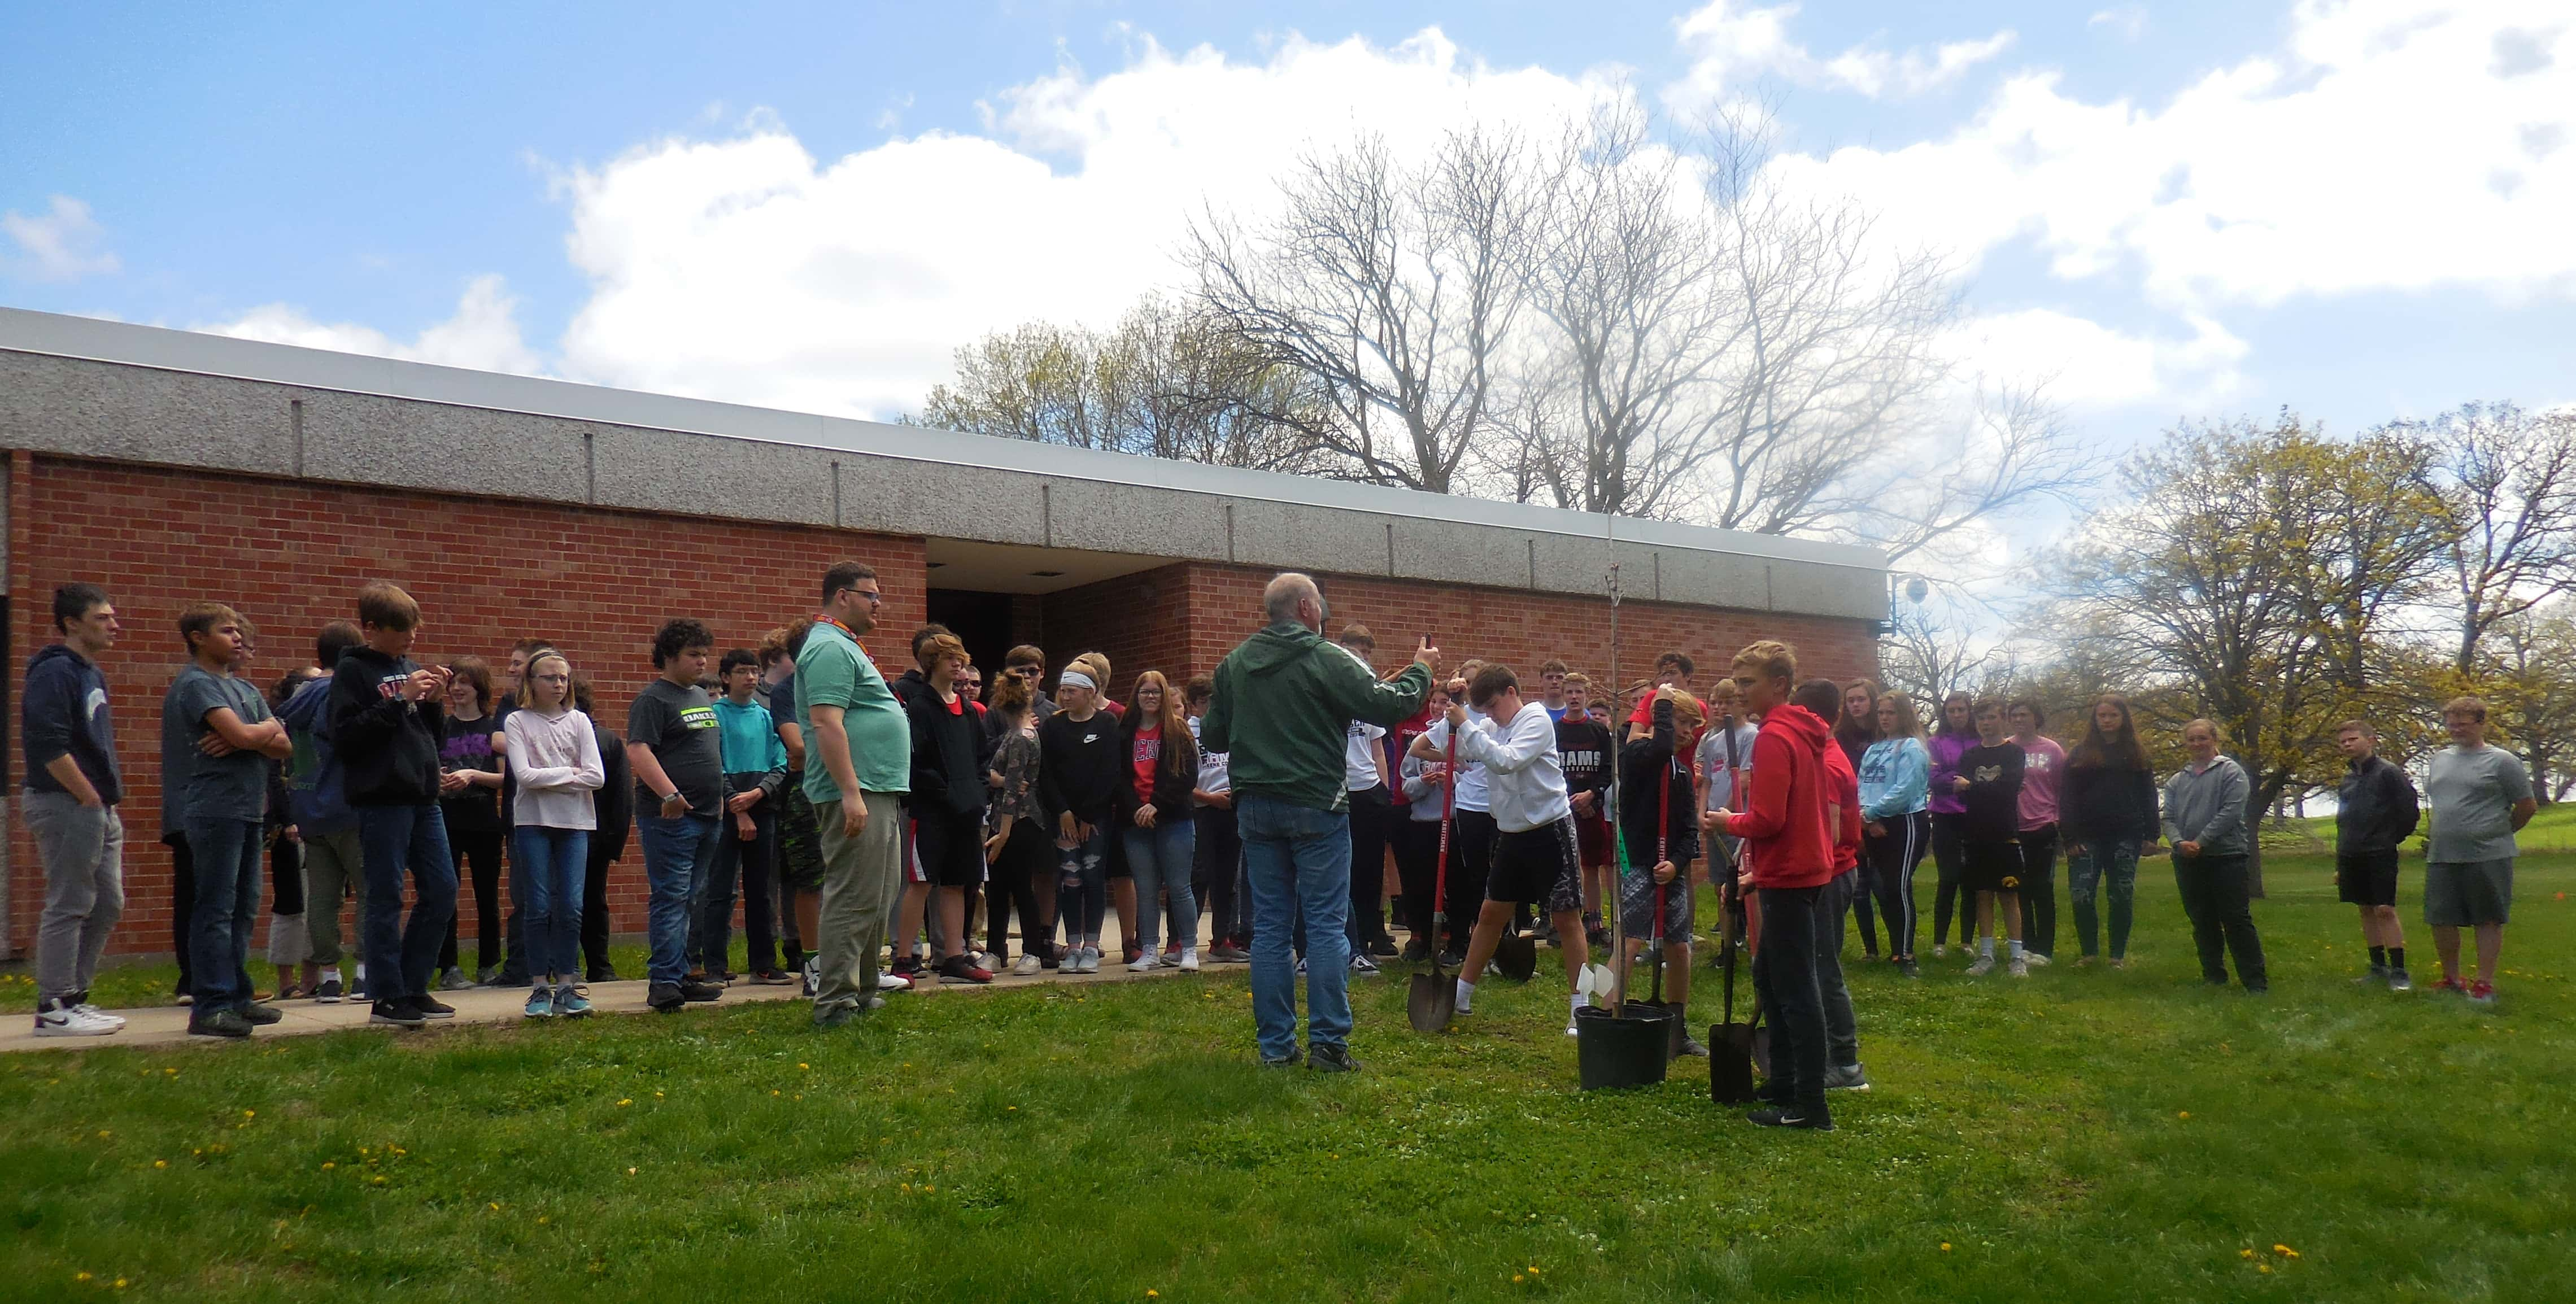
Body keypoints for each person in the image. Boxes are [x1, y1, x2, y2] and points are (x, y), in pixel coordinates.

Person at [1202, 572, 1433, 1071]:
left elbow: (1217, 737)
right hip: (1316, 803)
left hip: (1255, 806)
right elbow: (1388, 704)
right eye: (1320, 604)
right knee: (1328, 926)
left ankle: (1275, 1049)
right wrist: (1420, 669)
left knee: (1269, 929)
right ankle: (1329, 1045)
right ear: (1307, 607)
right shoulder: (1326, 657)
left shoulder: (1235, 663)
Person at [1706, 640, 1836, 1130]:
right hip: (1795, 868)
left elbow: (1768, 818)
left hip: (1791, 875)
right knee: (1770, 978)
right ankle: (1783, 1080)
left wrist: (1726, 820)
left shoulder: (1776, 737)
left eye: (1747, 683)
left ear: (1778, 685)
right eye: (1736, 683)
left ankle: (1809, 1103)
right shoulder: (1798, 732)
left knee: (1795, 988)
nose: (1739, 692)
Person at [1439, 665, 1595, 1036]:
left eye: (1493, 705)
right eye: (1485, 710)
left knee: (1565, 918)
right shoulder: (1492, 725)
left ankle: (1582, 1007)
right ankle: (1460, 995)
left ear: (1511, 692)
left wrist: (1467, 722)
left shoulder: (1536, 720)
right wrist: (1458, 706)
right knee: (1491, 912)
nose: (1490, 714)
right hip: (1511, 833)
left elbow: (1504, 761)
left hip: (1549, 830)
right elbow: (1465, 748)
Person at [332, 583, 460, 1029]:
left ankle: (413, 984)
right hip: (382, 797)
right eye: (401, 629)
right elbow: (347, 734)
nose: (411, 638)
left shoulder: (406, 667)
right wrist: (401, 698)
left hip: (423, 795)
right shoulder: (353, 672)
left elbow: (425, 737)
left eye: (415, 628)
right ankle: (386, 995)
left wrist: (432, 705)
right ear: (371, 628)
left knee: (442, 889)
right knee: (386, 895)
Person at [162, 603, 294, 1037]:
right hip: (214, 808)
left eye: (238, 629)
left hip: (248, 809)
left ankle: (239, 996)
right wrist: (261, 731)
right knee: (215, 908)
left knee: (242, 908)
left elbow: (285, 747)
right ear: (198, 638)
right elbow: (245, 734)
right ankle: (211, 1004)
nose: (237, 637)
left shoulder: (244, 688)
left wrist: (256, 734)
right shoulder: (197, 685)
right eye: (226, 630)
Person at [800, 563, 913, 1027]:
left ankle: (863, 988)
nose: (879, 604)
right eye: (871, 595)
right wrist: (850, 792)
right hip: (856, 789)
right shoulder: (828, 647)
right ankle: (834, 1002)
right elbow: (827, 721)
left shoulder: (845, 644)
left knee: (879, 891)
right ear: (843, 596)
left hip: (877, 787)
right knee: (852, 895)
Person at [25, 583, 130, 1037]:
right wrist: (86, 795)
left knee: (107, 902)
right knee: (70, 901)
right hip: (66, 801)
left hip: (98, 806)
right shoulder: (55, 672)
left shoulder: (92, 673)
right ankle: (52, 1005)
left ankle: (75, 997)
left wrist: (101, 800)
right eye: (103, 617)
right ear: (72, 623)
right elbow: (47, 742)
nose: (114, 625)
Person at [627, 618, 728, 1013]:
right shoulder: (654, 699)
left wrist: (718, 799)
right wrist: (668, 793)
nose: (702, 661)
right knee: (671, 896)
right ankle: (664, 982)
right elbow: (639, 750)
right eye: (693, 654)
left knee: (691, 898)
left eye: (704, 653)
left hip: (708, 815)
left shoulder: (700, 696)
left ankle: (681, 971)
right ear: (668, 657)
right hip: (671, 817)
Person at [502, 648, 604, 1018]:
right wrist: (570, 773)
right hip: (532, 823)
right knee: (538, 905)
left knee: (571, 906)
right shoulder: (518, 721)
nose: (559, 684)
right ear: (531, 681)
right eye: (550, 677)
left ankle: (566, 983)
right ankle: (538, 986)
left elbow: (597, 776)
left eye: (563, 677)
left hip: (575, 823)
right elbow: (524, 776)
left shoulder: (579, 721)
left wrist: (558, 777)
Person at [2422, 696, 2533, 1007]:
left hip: (2488, 854)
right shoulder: (2440, 759)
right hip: (2443, 853)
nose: (2456, 729)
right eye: (2451, 723)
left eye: (2463, 723)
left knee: (2487, 919)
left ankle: (2484, 983)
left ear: (2481, 723)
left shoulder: (2502, 761)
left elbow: (2526, 806)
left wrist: (2499, 832)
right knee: (2441, 918)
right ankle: (2451, 979)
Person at [279, 621, 367, 1001]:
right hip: (350, 806)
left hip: (310, 809)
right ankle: (366, 972)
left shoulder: (297, 697)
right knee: (371, 892)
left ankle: (329, 975)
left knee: (321, 899)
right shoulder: (345, 692)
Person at [1619, 685, 1706, 1056]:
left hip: (1668, 869)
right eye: (1682, 723)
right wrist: (1663, 705)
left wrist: (1676, 862)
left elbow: (1689, 831)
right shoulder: (1639, 753)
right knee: (1630, 939)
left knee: (1679, 945)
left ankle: (1677, 1025)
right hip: (1641, 864)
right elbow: (1657, 746)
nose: (1688, 733)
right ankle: (1611, 1013)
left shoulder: (1681, 774)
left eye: (1692, 726)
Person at [904, 632, 993, 984]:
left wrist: (978, 792)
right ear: (931, 663)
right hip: (931, 811)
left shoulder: (969, 710)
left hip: (966, 813)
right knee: (922, 882)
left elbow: (981, 759)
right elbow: (916, 761)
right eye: (949, 658)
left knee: (958, 883)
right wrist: (944, 792)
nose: (958, 664)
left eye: (960, 657)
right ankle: (903, 958)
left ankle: (953, 958)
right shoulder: (920, 707)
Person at [1793, 678, 1869, 1092]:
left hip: (1831, 874)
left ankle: (1846, 1062)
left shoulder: (1826, 762)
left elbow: (1831, 832)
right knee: (1815, 966)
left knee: (1824, 969)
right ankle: (1823, 1053)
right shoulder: (1821, 751)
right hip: (1827, 872)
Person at [699, 648, 792, 984]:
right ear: (725, 678)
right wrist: (737, 806)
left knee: (762, 891)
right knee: (720, 890)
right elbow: (714, 764)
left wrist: (759, 794)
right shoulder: (715, 715)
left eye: (753, 671)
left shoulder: (765, 716)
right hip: (726, 812)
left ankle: (764, 963)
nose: (750, 678)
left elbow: (779, 763)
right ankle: (714, 965)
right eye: (741, 672)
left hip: (763, 809)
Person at [2161, 718, 2265, 993]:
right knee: (2202, 919)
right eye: (2191, 740)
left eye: (2202, 738)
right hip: (2187, 859)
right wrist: (2179, 842)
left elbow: (2231, 812)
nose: (2197, 744)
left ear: (2214, 739)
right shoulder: (2177, 781)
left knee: (2236, 919)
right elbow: (2168, 817)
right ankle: (2213, 976)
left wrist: (2202, 841)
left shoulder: (2231, 773)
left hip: (2226, 856)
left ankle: (2255, 981)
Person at [2060, 695, 2159, 969]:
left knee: (2121, 894)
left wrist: (2152, 835)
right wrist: (2069, 837)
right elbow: (2067, 798)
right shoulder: (2079, 754)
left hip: (2126, 835)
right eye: (2102, 716)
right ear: (2095, 719)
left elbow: (2149, 797)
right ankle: (2089, 953)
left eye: (2113, 715)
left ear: (2123, 719)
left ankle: (2117, 956)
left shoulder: (2137, 754)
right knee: (2082, 895)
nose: (2107, 720)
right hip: (2086, 837)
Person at [1407, 661, 1494, 964]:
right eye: (1466, 683)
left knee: (1499, 881)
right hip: (1469, 805)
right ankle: (1461, 942)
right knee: (1469, 879)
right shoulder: (1457, 718)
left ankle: (1498, 945)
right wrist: (1454, 758)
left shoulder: (1501, 715)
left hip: (1500, 806)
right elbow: (1418, 748)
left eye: (1476, 682)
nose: (1471, 689)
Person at [1117, 670, 1202, 972]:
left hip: (1174, 819)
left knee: (1179, 887)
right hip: (1135, 822)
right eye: (1144, 692)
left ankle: (1189, 948)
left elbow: (1187, 776)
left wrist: (1156, 805)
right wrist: (1137, 808)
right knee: (1146, 887)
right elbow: (1119, 777)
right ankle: (1150, 949)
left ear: (1164, 695)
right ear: (1136, 697)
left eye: (1156, 691)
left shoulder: (1178, 730)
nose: (1150, 697)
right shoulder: (1125, 731)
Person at [1038, 662, 1120, 974]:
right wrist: (1064, 812)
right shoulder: (1054, 727)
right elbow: (1046, 773)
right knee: (1070, 879)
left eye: (1072, 691)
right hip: (1064, 819)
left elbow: (1109, 772)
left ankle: (1091, 945)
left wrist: (1087, 815)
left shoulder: (1107, 724)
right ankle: (1072, 945)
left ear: (1090, 692)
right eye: (1063, 690)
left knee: (1093, 878)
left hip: (1095, 819)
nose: (1066, 696)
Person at [2331, 719, 2420, 990]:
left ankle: (2400, 971)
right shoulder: (2347, 779)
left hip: (2379, 852)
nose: (2348, 745)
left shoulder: (2388, 773)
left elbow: (2409, 812)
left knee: (2384, 910)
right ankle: (2377, 966)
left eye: (2353, 739)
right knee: (2365, 910)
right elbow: (2344, 820)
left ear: (2371, 740)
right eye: (2343, 741)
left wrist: (2389, 839)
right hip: (2350, 853)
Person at [435, 657, 507, 989]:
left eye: (465, 682)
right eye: (454, 683)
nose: (458, 689)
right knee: (446, 893)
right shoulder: (441, 727)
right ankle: (448, 967)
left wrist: (473, 775)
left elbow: (506, 778)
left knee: (487, 895)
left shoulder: (494, 729)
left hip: (484, 821)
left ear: (479, 686)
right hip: (446, 821)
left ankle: (489, 965)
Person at [764, 622, 823, 992]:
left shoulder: (840, 685)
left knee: (848, 881)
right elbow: (796, 746)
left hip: (845, 787)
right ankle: (814, 964)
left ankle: (855, 961)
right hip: (805, 794)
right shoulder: (788, 690)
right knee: (810, 880)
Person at [984, 675, 1052, 974]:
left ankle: (1032, 951)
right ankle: (995, 949)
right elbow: (1000, 778)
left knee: (1022, 887)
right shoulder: (1014, 735)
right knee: (997, 887)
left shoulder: (1023, 738)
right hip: (1002, 818)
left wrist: (1004, 833)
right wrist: (996, 779)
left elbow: (1013, 790)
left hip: (1020, 822)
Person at [1858, 691, 1929, 978]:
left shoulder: (1912, 747)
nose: (1885, 718)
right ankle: (1895, 949)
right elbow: (1861, 784)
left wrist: (1874, 813)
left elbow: (1906, 789)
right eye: (1882, 713)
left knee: (1899, 887)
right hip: (1873, 824)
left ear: (1904, 715)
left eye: (1891, 713)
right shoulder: (1874, 749)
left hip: (1905, 822)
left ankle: (1907, 954)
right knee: (1884, 888)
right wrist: (1865, 816)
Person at [1954, 700, 2028, 978]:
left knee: (2009, 894)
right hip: (1975, 832)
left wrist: (1973, 787)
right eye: (1982, 718)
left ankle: (2017, 957)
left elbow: (2009, 789)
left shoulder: (2014, 753)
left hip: (2005, 832)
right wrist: (1982, 789)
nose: (1987, 723)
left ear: (2003, 719)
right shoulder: (1970, 756)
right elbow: (1959, 791)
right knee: (1982, 894)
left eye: (1992, 717)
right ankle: (1986, 955)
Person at [264, 669, 322, 1000]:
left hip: (321, 822)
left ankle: (314, 976)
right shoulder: (279, 725)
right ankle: (287, 980)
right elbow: (274, 778)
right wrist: (287, 821)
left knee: (323, 901)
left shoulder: (325, 726)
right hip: (290, 827)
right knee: (291, 904)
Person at [572, 672, 631, 985]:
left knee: (592, 899)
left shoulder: (606, 741)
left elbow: (622, 795)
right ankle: (583, 965)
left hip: (594, 836)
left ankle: (599, 964)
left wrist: (613, 842)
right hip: (575, 834)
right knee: (580, 900)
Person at [1187, 674, 1248, 964]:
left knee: (1227, 879)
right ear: (1193, 704)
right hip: (1202, 808)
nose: (1210, 707)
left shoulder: (1230, 729)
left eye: (1215, 701)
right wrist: (1209, 798)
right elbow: (1183, 780)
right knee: (1198, 875)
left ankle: (1222, 938)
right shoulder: (1187, 732)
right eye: (1204, 702)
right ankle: (1183, 941)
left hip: (1231, 806)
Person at [1393, 682, 1454, 965]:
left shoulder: (1460, 739)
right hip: (1423, 820)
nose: (1438, 707)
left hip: (1451, 820)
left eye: (1445, 703)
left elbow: (1472, 778)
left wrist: (1449, 779)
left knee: (1454, 884)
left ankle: (1453, 938)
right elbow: (1407, 784)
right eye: (1435, 702)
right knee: (1421, 884)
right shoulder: (1421, 742)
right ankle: (1421, 938)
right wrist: (1423, 783)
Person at [1557, 671, 1615, 952]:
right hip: (1563, 807)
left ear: (1586, 695)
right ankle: (1563, 923)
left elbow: (1607, 770)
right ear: (1563, 696)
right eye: (1570, 692)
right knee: (1564, 867)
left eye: (1579, 692)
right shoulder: (1556, 731)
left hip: (1592, 808)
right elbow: (1551, 770)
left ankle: (1596, 923)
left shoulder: (1599, 731)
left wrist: (1593, 796)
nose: (1574, 697)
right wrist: (1568, 799)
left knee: (1592, 866)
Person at [2009, 701, 2064, 966]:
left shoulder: (2051, 749)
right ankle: (2026, 945)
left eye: (2025, 715)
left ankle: (2044, 950)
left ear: (2036, 718)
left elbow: (2062, 788)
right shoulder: (2006, 748)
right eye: (2015, 715)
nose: (2020, 719)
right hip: (2013, 827)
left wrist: (2058, 821)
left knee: (2042, 888)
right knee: (2019, 889)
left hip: (2044, 825)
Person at [1925, 691, 1977, 957]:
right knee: (1948, 879)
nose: (1957, 715)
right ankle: (1939, 942)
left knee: (1971, 880)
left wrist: (1963, 782)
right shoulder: (1935, 743)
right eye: (1952, 711)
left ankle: (1967, 941)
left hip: (1975, 817)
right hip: (1945, 817)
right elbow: (1933, 779)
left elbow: (1984, 779)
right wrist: (1957, 782)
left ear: (1970, 712)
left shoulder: (1981, 742)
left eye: (1961, 710)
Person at [1834, 680, 1882, 957]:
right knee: (1860, 886)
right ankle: (1871, 949)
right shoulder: (1842, 736)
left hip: (1884, 814)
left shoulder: (1884, 733)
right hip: (1852, 814)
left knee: (1884, 886)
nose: (1855, 705)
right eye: (1851, 700)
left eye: (1861, 699)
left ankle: (1901, 949)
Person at [1623, 651, 1697, 743]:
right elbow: (1632, 738)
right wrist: (1661, 736)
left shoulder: (1699, 707)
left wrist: (1654, 734)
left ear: (1688, 676)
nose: (1667, 679)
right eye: (1663, 674)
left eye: (1673, 673)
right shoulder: (1653, 697)